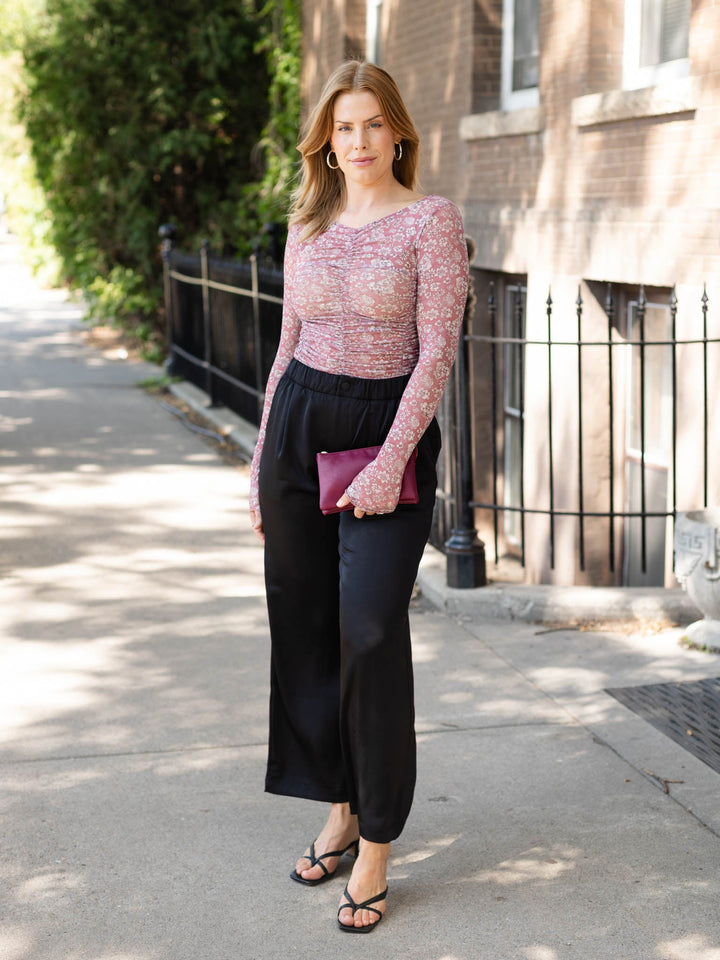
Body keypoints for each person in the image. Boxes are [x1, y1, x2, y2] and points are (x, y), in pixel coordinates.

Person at [248, 59, 469, 933]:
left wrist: (389, 462)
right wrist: (262, 456)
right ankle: (339, 803)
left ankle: (378, 836)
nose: (360, 141)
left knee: (369, 628)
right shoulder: (307, 221)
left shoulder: (430, 221)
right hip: (300, 426)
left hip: (388, 432)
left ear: (399, 132)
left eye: (374, 124)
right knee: (302, 624)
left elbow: (437, 353)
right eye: (344, 127)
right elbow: (284, 347)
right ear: (326, 142)